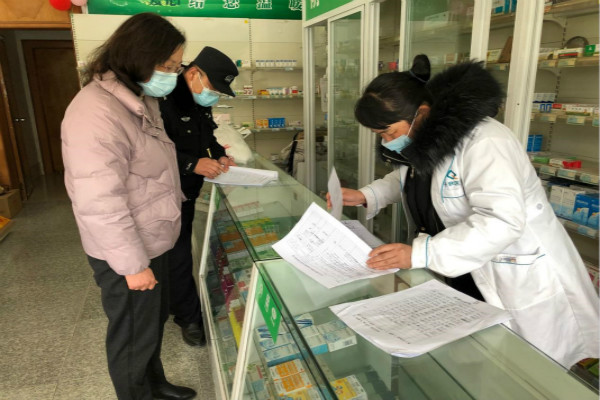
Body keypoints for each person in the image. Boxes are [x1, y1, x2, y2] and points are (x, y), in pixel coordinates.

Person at [329, 55, 599, 369]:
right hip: (463, 270)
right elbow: (414, 178)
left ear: (422, 113)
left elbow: (501, 221)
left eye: (389, 132)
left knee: (527, 371)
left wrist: (421, 253)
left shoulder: (485, 142)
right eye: (381, 137)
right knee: (483, 362)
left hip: (511, 272)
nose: (388, 143)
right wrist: (366, 195)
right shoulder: (426, 139)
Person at [62, 13, 197, 400]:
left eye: (176, 66)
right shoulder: (96, 112)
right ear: (138, 56)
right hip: (128, 249)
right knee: (131, 334)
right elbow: (99, 200)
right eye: (166, 66)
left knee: (149, 325)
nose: (171, 75)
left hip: (153, 237)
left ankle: (154, 384)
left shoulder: (136, 98)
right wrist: (132, 265)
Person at [159, 47, 237, 346]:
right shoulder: (163, 100)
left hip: (187, 192)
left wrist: (219, 155)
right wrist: (193, 164)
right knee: (177, 256)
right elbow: (154, 151)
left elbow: (207, 137)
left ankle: (174, 304)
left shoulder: (197, 101)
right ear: (194, 73)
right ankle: (188, 317)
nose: (212, 97)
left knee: (176, 254)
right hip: (165, 192)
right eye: (213, 89)